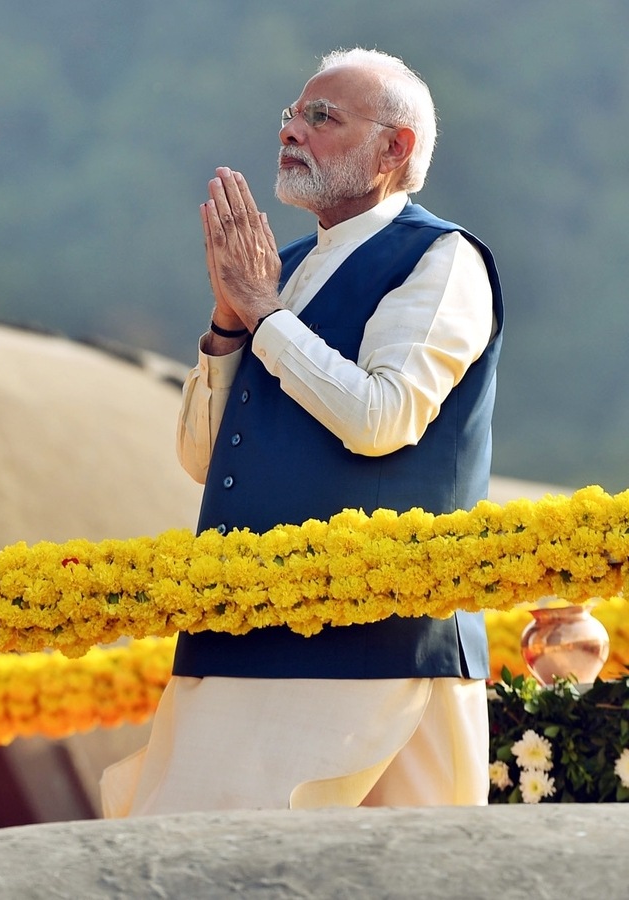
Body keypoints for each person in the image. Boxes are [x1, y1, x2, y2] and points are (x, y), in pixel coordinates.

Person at [101, 48, 502, 816]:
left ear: (396, 148)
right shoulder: (275, 271)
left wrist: (265, 316)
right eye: (291, 115)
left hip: (374, 646)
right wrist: (228, 323)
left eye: (323, 118)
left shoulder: (440, 260)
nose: (293, 132)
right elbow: (201, 460)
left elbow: (382, 420)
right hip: (242, 633)